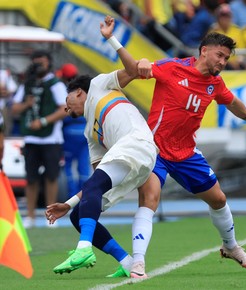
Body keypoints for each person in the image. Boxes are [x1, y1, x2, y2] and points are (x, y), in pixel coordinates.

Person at [103, 18, 246, 278]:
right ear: (204, 51)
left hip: (186, 152)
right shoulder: (172, 68)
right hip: (154, 150)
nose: (223, 62)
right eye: (220, 56)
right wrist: (139, 60)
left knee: (219, 199)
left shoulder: (215, 83)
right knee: (150, 200)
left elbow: (232, 101)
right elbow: (137, 68)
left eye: (226, 58)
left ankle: (230, 246)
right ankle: (138, 263)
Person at [45, 16, 158, 276]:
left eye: (68, 99)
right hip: (134, 162)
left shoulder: (98, 85)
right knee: (79, 214)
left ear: (79, 92)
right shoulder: (90, 133)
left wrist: (110, 38)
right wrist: (69, 203)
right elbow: (96, 181)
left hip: (138, 143)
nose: (66, 107)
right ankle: (127, 263)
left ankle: (83, 248)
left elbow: (132, 71)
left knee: (91, 193)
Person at [11, 50, 67, 228]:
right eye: (36, 63)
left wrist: (43, 121)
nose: (38, 67)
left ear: (49, 63)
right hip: (31, 138)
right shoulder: (27, 84)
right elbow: (14, 109)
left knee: (51, 177)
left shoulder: (56, 84)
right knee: (31, 178)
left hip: (51, 138)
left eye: (41, 63)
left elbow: (63, 109)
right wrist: (26, 105)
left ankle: (51, 216)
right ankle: (30, 216)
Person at [56, 63, 91, 198]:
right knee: (83, 167)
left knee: (68, 166)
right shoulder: (84, 91)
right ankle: (85, 197)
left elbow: (63, 114)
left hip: (69, 134)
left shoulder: (65, 92)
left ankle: (71, 196)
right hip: (84, 133)